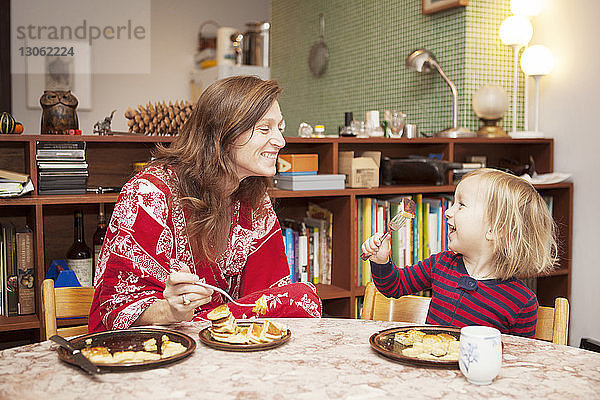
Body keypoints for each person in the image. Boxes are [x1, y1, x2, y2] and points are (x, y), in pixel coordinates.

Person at [88, 76, 322, 332]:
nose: (281, 140)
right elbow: (113, 307)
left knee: (302, 297)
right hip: (156, 346)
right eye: (265, 129)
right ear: (223, 133)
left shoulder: (255, 200)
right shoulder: (148, 194)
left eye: (280, 127)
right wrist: (171, 308)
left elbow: (270, 296)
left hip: (226, 346)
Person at [361, 168, 557, 337]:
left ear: (496, 229)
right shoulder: (441, 264)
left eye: (461, 205)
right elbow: (393, 286)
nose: (448, 211)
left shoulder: (522, 302)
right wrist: (380, 261)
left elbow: (522, 362)